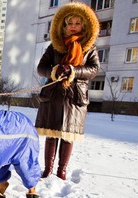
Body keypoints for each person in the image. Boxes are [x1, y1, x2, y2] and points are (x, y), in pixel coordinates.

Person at [35, 2, 100, 180]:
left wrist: (73, 70)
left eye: (77, 23)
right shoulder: (54, 46)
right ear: (63, 25)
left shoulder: (90, 48)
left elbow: (93, 70)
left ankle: (61, 170)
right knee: (51, 133)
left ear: (84, 25)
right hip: (54, 94)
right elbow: (41, 68)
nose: (73, 27)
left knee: (68, 135)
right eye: (69, 23)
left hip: (75, 97)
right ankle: (48, 169)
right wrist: (54, 71)